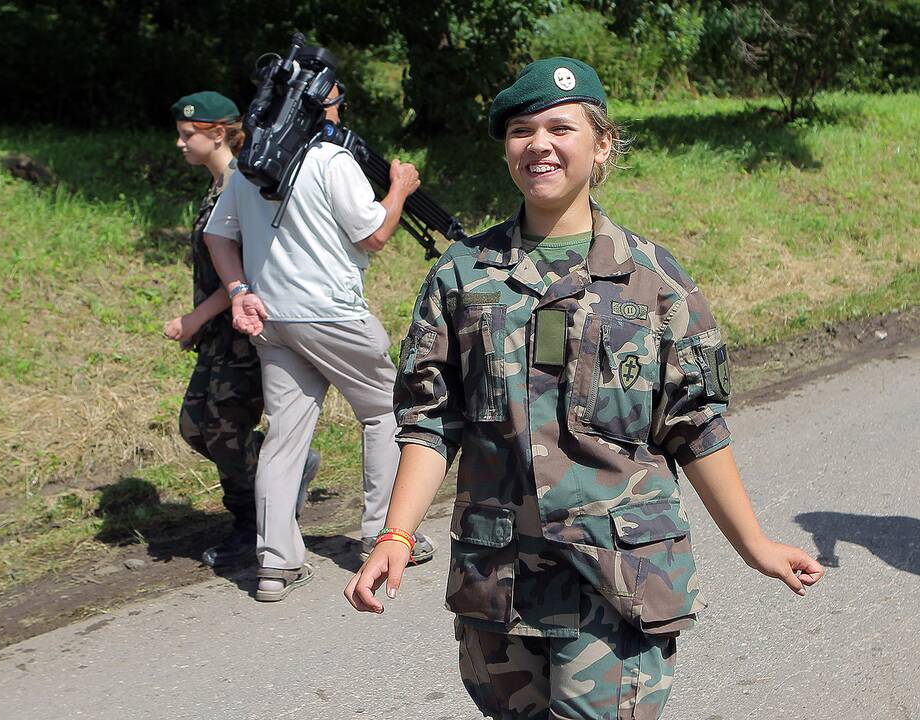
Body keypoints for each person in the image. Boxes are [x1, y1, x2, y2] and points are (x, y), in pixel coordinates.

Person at [344, 58, 825, 719]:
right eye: (521, 130)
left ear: (601, 146)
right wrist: (395, 537)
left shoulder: (655, 282)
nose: (539, 144)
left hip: (619, 581)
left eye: (560, 128)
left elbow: (695, 428)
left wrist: (755, 545)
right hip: (500, 585)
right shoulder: (461, 279)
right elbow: (431, 423)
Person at [204, 84, 435, 603]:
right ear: (318, 110)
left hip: (272, 317)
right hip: (331, 314)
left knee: (285, 433)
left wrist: (240, 289)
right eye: (333, 102)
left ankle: (275, 565)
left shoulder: (249, 164)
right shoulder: (331, 159)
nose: (338, 111)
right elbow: (372, 235)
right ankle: (385, 534)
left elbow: (218, 235)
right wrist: (399, 187)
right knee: (385, 411)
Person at [163, 91, 318, 568]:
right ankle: (286, 473)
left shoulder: (242, 182)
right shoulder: (217, 186)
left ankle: (252, 526)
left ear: (217, 133)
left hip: (247, 331)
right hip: (219, 332)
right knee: (196, 428)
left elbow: (245, 270)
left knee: (223, 430)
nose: (180, 143)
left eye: (188, 135)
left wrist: (195, 317)